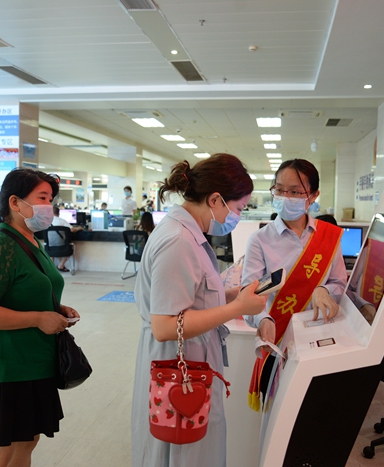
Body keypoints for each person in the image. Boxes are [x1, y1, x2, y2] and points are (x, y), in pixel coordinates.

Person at [131, 153, 267, 467]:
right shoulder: (178, 241)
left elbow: (194, 295)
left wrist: (231, 295)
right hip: (177, 365)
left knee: (197, 449)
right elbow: (165, 325)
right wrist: (237, 307)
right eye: (239, 208)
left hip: (192, 361)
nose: (238, 216)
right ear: (215, 200)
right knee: (182, 453)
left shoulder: (190, 235)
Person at [0, 168, 80, 466]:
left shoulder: (32, 241)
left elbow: (25, 289)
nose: (48, 206)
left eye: (51, 199)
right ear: (15, 202)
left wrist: (56, 308)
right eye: (42, 198)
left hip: (36, 362)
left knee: (27, 442)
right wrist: (38, 319)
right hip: (8, 366)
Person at [241, 159, 347, 410]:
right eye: (279, 189)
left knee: (316, 411)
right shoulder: (259, 240)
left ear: (313, 195)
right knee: (278, 414)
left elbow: (339, 283)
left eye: (295, 192)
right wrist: (263, 320)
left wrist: (323, 289)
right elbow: (248, 296)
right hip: (278, 341)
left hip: (320, 339)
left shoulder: (329, 236)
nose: (285, 197)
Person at [50, 205, 83, 272]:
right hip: (62, 246)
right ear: (59, 213)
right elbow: (73, 229)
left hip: (48, 246)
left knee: (51, 246)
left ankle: (51, 267)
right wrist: (79, 228)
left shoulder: (46, 221)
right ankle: (61, 265)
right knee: (70, 248)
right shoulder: (62, 221)